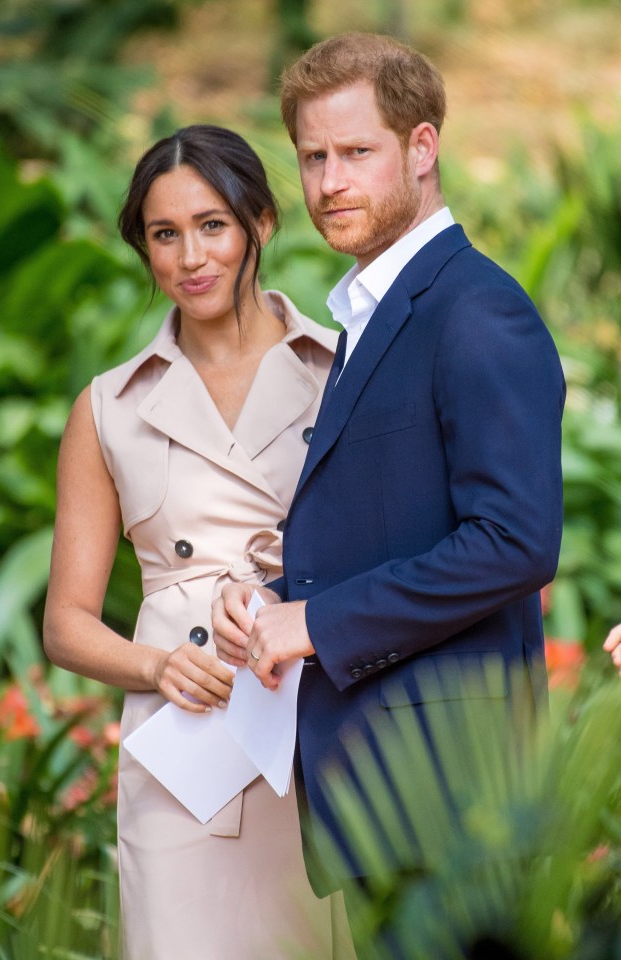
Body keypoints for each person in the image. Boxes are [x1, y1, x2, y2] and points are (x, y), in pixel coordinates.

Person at [211, 30, 566, 932]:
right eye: (313, 156)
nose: (330, 182)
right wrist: (272, 599)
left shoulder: (477, 311)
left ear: (422, 148)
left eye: (357, 152)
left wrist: (315, 624)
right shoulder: (374, 314)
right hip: (389, 789)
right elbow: (393, 524)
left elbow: (515, 542)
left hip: (452, 795)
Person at [43, 125, 354, 960]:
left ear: (260, 221)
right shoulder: (108, 407)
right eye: (164, 233)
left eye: (212, 224)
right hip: (181, 751)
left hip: (305, 723)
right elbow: (66, 622)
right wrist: (155, 667)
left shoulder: (341, 371)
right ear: (143, 247)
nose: (190, 256)